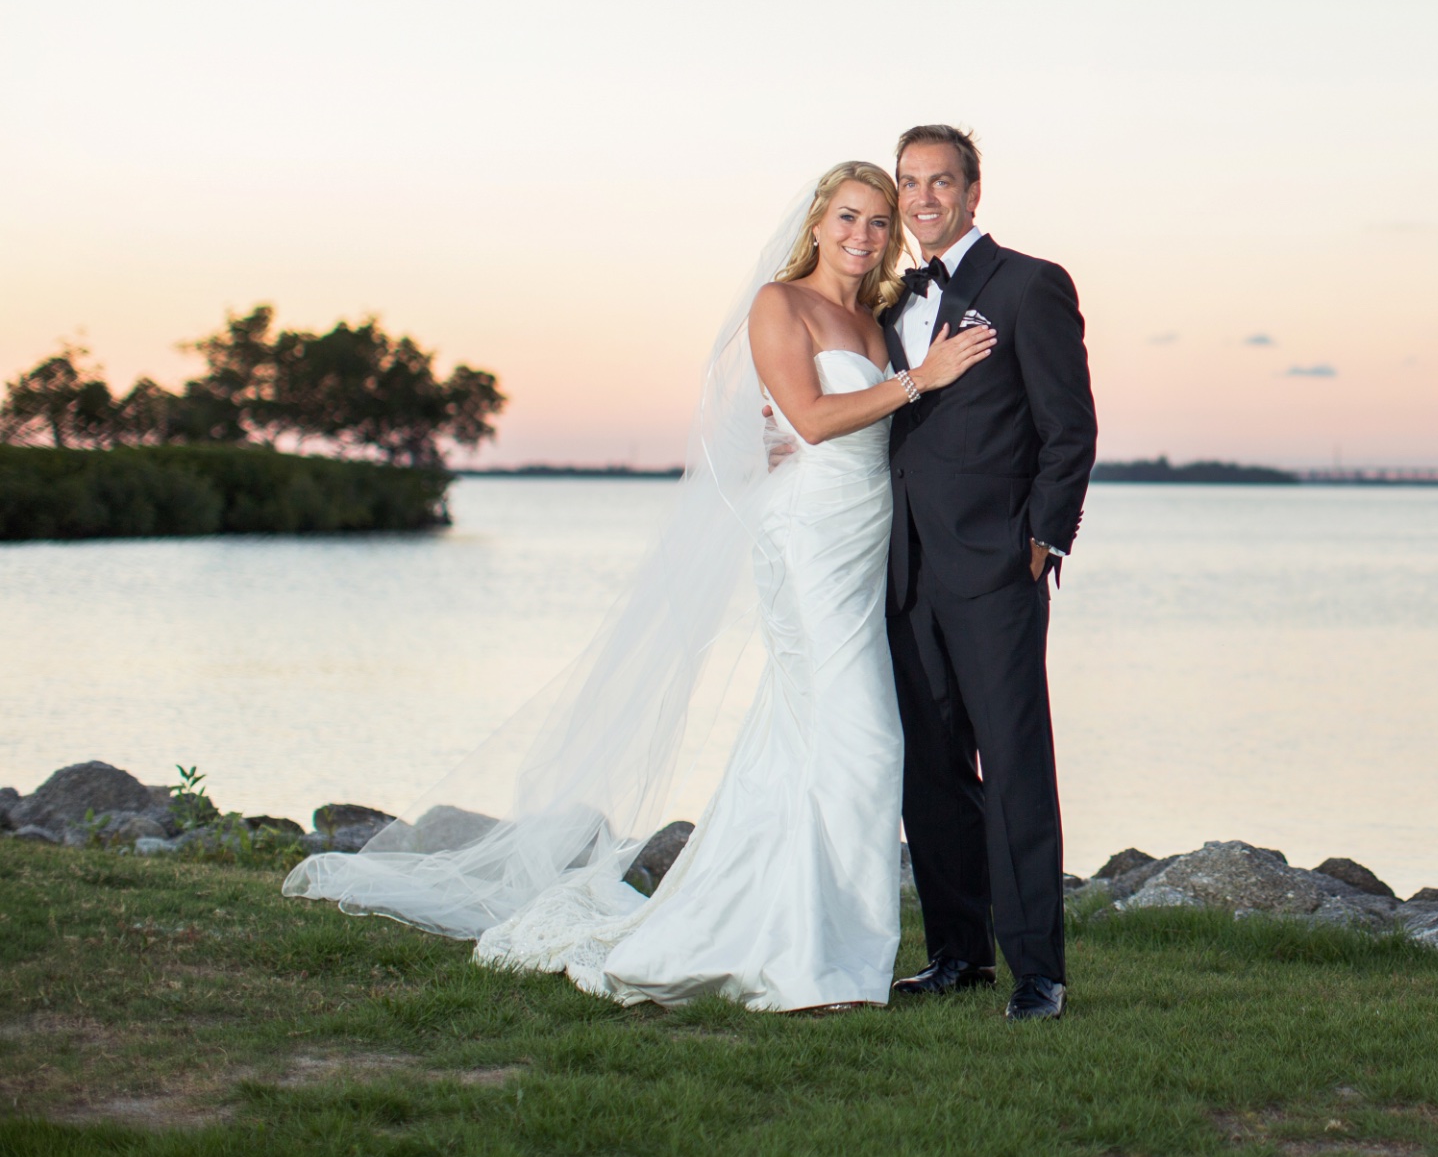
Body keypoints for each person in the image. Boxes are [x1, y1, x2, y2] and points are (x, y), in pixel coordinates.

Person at [284, 162, 994, 1014]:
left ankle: (803, 939)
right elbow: (806, 417)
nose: (864, 235)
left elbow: (846, 427)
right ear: (816, 222)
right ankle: (816, 961)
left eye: (880, 222)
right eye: (850, 217)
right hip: (805, 539)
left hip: (861, 531)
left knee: (808, 743)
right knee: (865, 742)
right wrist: (926, 378)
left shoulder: (868, 318)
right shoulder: (780, 305)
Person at [879, 124, 1097, 1021]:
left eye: (940, 181)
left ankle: (1037, 972)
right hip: (901, 573)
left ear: (973, 192)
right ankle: (956, 956)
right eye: (908, 183)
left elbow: (1069, 427)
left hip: (994, 569)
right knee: (928, 774)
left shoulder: (1028, 285)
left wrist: (1042, 539)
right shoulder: (886, 299)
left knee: (1012, 768)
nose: (923, 198)